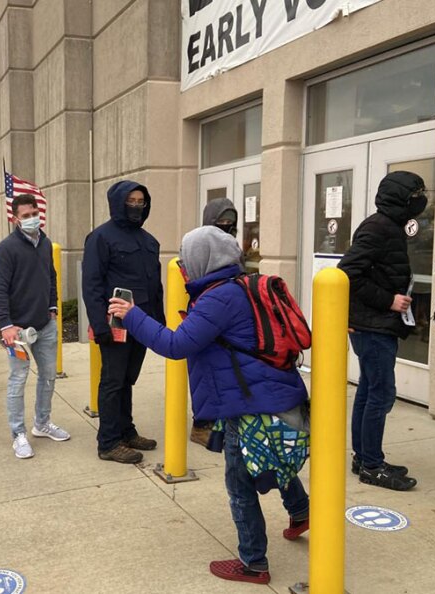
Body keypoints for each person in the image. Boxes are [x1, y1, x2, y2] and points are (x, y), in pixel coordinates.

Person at [108, 226, 309, 585]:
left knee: (240, 484)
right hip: (269, 393)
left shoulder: (219, 298)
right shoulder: (241, 286)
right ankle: (301, 510)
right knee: (269, 458)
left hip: (248, 404)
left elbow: (174, 345)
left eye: (186, 260)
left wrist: (132, 314)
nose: (184, 267)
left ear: (203, 260)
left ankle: (254, 564)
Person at [338, 171, 427, 491]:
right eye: (416, 193)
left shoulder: (389, 226)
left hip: (375, 325)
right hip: (372, 326)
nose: (421, 199)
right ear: (401, 197)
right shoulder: (379, 227)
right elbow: (347, 273)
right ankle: (371, 465)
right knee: (381, 394)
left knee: (370, 390)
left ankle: (365, 457)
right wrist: (389, 300)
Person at [82, 180, 164, 464]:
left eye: (141, 201)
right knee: (113, 381)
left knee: (128, 379)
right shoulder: (100, 238)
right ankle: (108, 442)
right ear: (119, 203)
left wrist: (159, 324)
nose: (137, 206)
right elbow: (91, 285)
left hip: (142, 324)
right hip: (115, 325)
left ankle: (126, 430)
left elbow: (155, 286)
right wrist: (100, 326)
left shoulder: (149, 241)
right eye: (131, 201)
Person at [0, 194, 70, 459]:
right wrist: (6, 325)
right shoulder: (6, 249)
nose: (32, 218)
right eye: (25, 215)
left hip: (44, 325)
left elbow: (51, 276)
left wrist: (53, 307)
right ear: (15, 219)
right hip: (18, 332)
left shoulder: (45, 243)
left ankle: (42, 424)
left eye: (34, 213)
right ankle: (18, 434)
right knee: (18, 381)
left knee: (48, 377)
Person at [191, 197, 242, 447]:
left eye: (231, 222)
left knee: (218, 378)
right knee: (203, 377)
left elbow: (176, 344)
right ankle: (204, 425)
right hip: (204, 327)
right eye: (221, 222)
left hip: (220, 333)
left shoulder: (232, 264)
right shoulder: (199, 247)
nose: (227, 226)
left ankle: (212, 428)